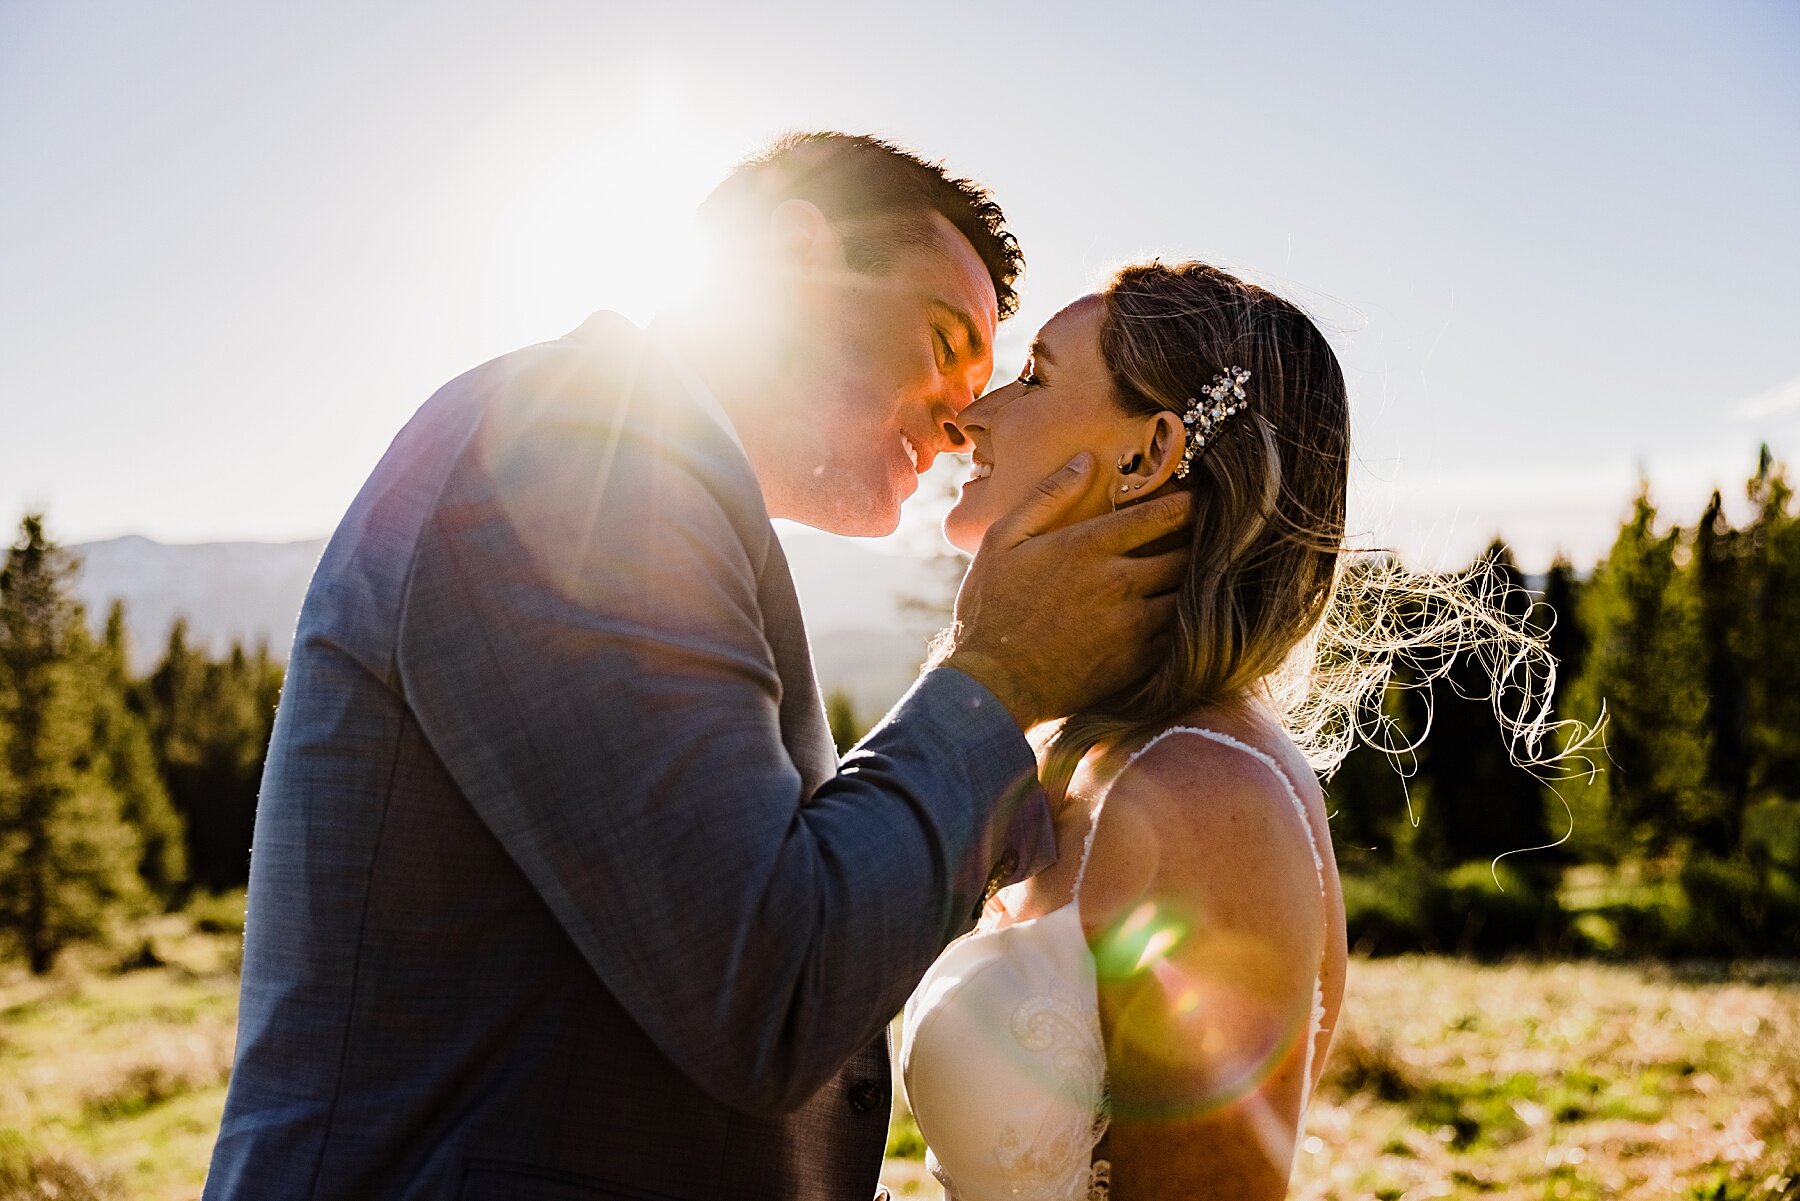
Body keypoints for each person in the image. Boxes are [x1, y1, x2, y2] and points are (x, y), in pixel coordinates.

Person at [200, 134, 1192, 1201]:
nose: (961, 423)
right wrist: (997, 676)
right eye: (942, 337)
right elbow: (768, 989)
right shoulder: (578, 454)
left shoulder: (656, 487)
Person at [901, 260, 1572, 1200]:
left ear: (1147, 453)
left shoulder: (1200, 795)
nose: (974, 417)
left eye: (1036, 376)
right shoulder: (1094, 754)